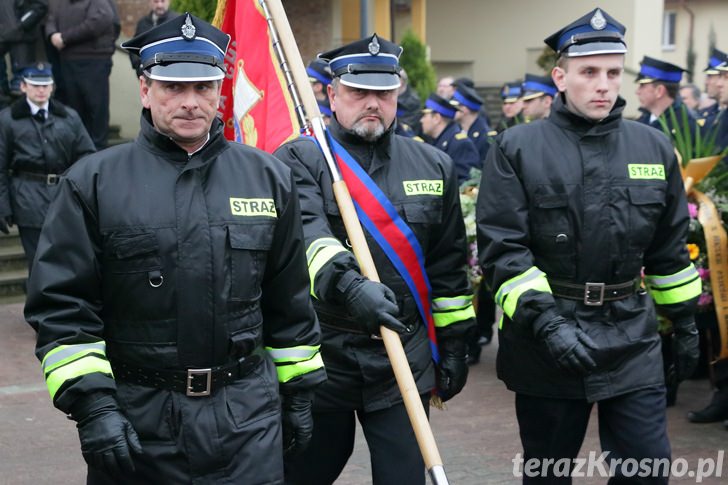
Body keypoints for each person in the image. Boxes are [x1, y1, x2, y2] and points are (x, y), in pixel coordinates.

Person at [26, 14, 326, 483]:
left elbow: (289, 299)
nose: (190, 102)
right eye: (173, 87)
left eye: (204, 87)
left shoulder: (269, 177)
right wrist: (94, 407)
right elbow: (63, 308)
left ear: (220, 89)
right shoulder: (93, 182)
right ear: (145, 89)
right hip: (138, 426)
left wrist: (300, 393)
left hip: (247, 422)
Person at [477, 8, 700, 483]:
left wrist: (684, 319)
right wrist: (549, 324)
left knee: (647, 471)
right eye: (589, 72)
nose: (603, 84)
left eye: (613, 73)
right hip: (548, 341)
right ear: (560, 77)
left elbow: (669, 249)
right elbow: (503, 251)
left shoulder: (654, 148)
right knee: (548, 474)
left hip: (631, 337)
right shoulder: (516, 147)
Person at [274, 34, 475, 485]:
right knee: (302, 475)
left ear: (397, 94)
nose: (372, 103)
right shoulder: (299, 159)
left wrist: (457, 342)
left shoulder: (433, 164)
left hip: (403, 354)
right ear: (332, 93)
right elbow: (307, 237)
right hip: (323, 355)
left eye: (383, 92)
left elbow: (447, 266)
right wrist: (347, 285)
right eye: (358, 91)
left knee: (404, 477)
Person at [0, 62, 94, 275]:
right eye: (35, 85)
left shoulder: (68, 117)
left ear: (52, 87)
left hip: (63, 196)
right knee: (38, 262)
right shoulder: (8, 120)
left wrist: (80, 193)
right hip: (27, 197)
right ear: (23, 87)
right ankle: (39, 306)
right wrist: (3, 206)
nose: (41, 90)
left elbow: (87, 155)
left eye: (45, 85)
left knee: (64, 259)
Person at [44, 0, 119, 149]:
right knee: (74, 110)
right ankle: (79, 154)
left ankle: (98, 155)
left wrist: (65, 38)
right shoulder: (59, 3)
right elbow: (50, 19)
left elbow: (101, 20)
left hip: (94, 60)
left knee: (96, 110)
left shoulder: (99, 3)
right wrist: (52, 35)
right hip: (67, 61)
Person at [420, 92, 480, 183]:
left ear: (436, 118)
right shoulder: (434, 140)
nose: (421, 120)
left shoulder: (461, 144)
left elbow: (467, 184)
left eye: (425, 115)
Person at [635, 56, 696, 136]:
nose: (637, 92)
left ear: (659, 91)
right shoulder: (642, 121)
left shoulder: (687, 124)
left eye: (642, 85)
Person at [0, 0, 48, 95]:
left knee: (22, 87)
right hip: (3, 38)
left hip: (23, 40)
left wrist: (21, 25)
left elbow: (40, 6)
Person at [128, 0, 179, 75]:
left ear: (169, 1)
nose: (159, 5)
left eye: (162, 1)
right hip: (146, 75)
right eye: (156, 1)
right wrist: (138, 66)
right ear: (150, 2)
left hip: (169, 74)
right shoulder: (142, 23)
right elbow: (134, 47)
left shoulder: (177, 21)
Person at [452, 82, 493, 162]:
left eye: (455, 107)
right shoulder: (457, 131)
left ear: (464, 109)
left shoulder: (486, 136)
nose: (451, 110)